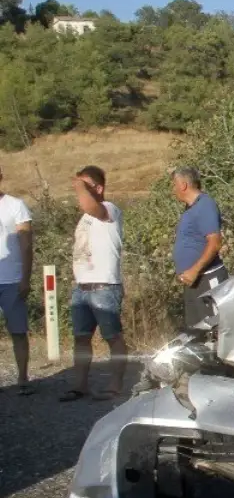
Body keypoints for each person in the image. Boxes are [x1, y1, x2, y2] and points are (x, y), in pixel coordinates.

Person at [60, 166, 127, 402]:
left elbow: (90, 205)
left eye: (86, 186)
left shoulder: (109, 209)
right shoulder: (86, 217)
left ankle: (115, 386)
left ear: (98, 188)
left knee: (113, 337)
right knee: (80, 338)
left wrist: (78, 184)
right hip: (82, 287)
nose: (80, 190)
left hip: (104, 286)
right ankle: (79, 386)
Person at [170, 167, 227, 329]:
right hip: (193, 283)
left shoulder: (205, 205)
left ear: (183, 185)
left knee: (214, 332)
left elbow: (215, 242)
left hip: (207, 279)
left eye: (174, 185)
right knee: (196, 333)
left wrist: (195, 270)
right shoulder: (191, 209)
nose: (173, 190)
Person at [0, 167, 33, 396]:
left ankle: (22, 378)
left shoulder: (16, 205)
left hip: (12, 280)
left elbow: (26, 244)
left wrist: (26, 277)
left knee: (18, 331)